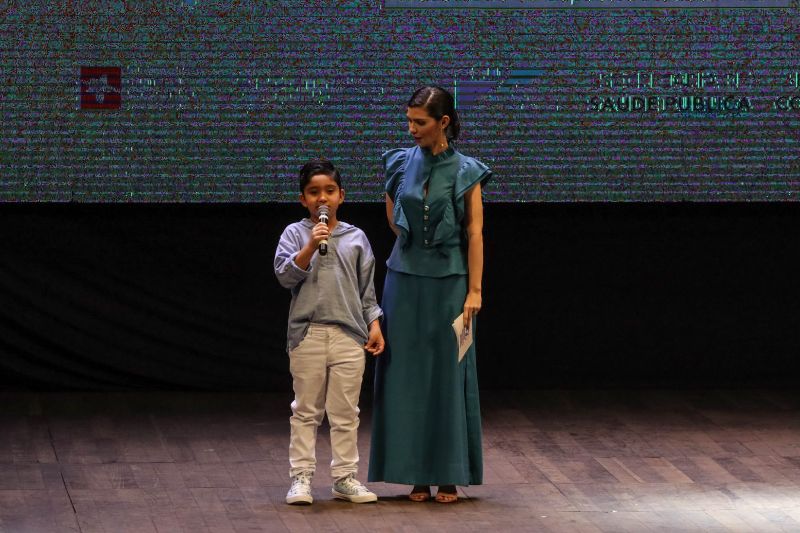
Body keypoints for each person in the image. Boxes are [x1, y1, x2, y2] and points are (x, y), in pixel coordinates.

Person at [368, 86, 491, 503]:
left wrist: (474, 289)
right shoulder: (400, 162)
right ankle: (415, 474)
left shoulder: (467, 170)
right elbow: (392, 213)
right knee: (407, 375)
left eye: (419, 122)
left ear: (444, 123)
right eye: (409, 121)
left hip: (451, 282)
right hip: (403, 279)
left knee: (448, 373)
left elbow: (475, 232)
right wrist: (412, 244)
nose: (411, 129)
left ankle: (448, 474)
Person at [274, 158, 385, 505]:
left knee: (345, 412)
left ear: (341, 196)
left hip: (348, 333)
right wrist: (310, 245)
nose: (322, 198)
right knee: (306, 410)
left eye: (329, 191)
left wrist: (374, 324)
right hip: (307, 333)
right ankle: (301, 478)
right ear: (303, 199)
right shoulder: (295, 233)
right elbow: (284, 276)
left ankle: (344, 477)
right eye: (313, 192)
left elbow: (366, 290)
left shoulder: (356, 237)